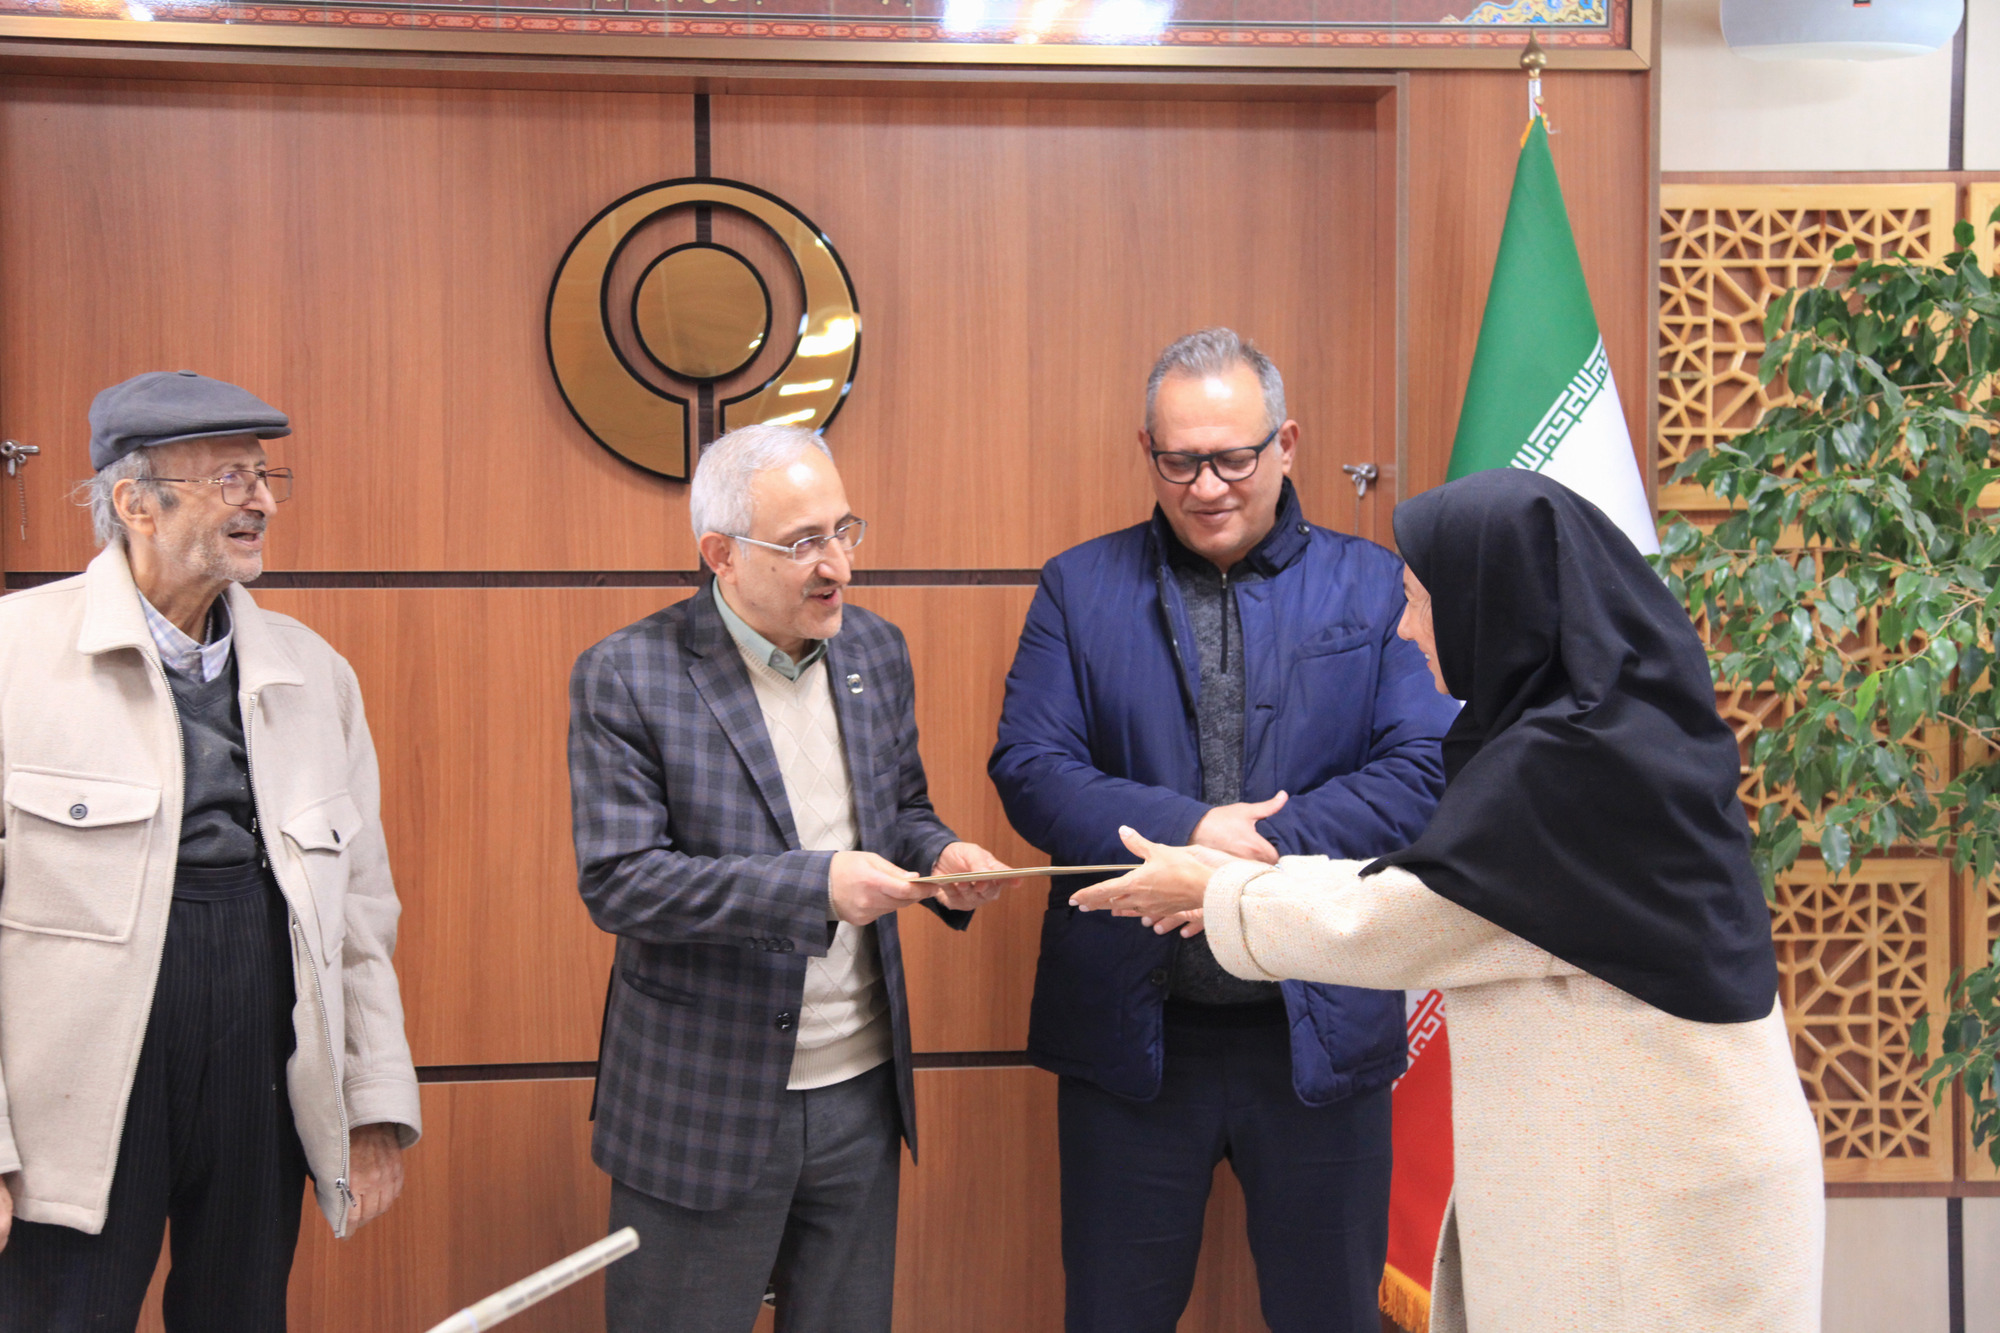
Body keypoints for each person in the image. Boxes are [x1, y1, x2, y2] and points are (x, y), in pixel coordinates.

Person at [1074, 467, 1825, 1333]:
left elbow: (1409, 919)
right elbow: (1438, 886)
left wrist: (1218, 890)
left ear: (1489, 603)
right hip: (1643, 1171)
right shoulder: (1611, 728)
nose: (1405, 627)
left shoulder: (1571, 769)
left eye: (1420, 601)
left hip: (1652, 1205)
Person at [988, 328, 1458, 1332]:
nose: (1205, 487)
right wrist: (1195, 825)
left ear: (1285, 443)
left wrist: (1249, 856)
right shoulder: (1079, 586)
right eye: (1179, 461)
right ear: (1146, 451)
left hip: (1323, 1029)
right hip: (1132, 1039)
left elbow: (1421, 771)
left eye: (1232, 458)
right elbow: (1030, 770)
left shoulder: (1374, 585)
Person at [569, 423, 1018, 1333]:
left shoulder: (875, 650)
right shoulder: (627, 672)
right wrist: (814, 887)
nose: (839, 566)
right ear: (721, 555)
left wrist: (941, 859)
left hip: (861, 1087)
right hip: (703, 1100)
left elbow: (900, 808)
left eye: (844, 530)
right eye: (805, 542)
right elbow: (622, 880)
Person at [0, 371, 420, 1331]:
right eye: (230, 478)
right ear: (134, 503)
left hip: (259, 1060)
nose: (262, 501)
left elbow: (359, 914)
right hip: (75, 1090)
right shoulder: (12, 657)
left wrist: (371, 1101)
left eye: (265, 477)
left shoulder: (316, 673)